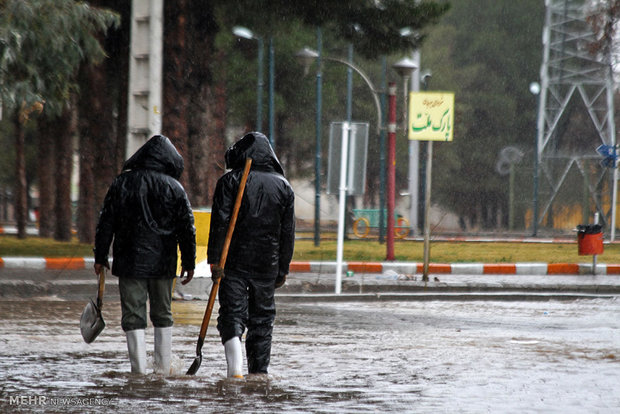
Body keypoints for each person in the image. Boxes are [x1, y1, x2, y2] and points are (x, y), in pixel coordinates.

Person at [94, 135, 196, 375]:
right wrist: (189, 262)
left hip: (129, 262)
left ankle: (138, 371)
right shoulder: (175, 188)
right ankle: (162, 370)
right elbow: (186, 229)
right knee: (163, 313)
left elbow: (105, 222)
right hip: (164, 263)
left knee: (132, 314)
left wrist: (100, 256)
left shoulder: (121, 183)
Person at [208, 132, 295, 378]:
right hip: (266, 265)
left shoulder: (229, 181)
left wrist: (214, 259)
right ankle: (259, 374)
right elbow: (287, 234)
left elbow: (219, 224)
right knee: (262, 318)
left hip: (232, 263)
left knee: (232, 314)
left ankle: (234, 372)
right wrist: (283, 267)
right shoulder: (283, 186)